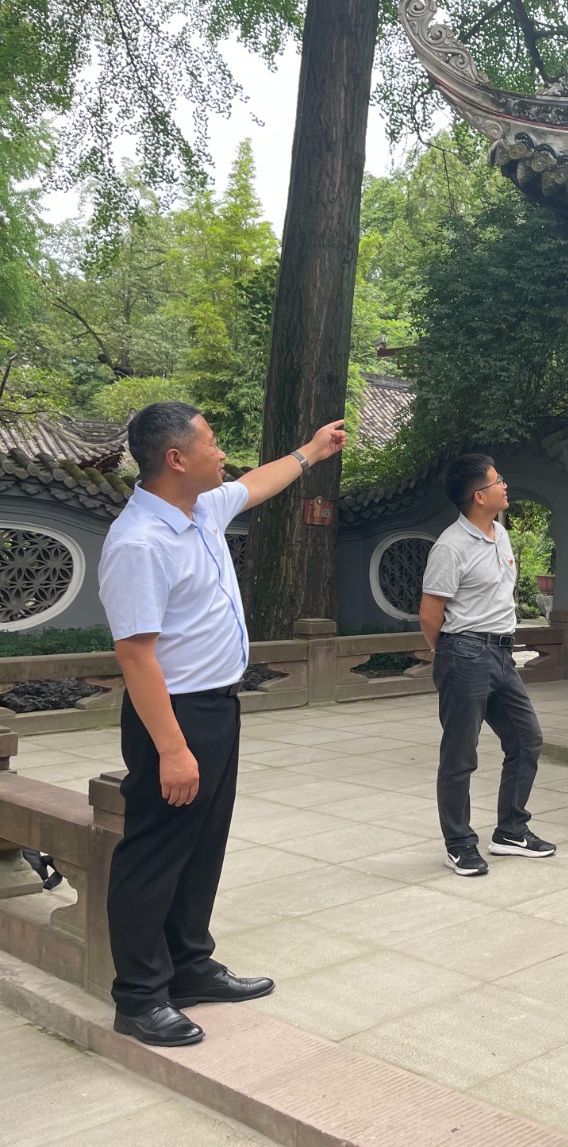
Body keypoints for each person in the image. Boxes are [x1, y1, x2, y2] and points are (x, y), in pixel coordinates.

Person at [97, 402, 346, 1047]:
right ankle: (139, 997)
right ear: (175, 458)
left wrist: (311, 452)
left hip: (216, 706)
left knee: (203, 843)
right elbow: (135, 655)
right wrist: (172, 750)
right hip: (174, 715)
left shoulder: (201, 510)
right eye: (211, 442)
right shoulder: (139, 542)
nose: (221, 452)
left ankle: (188, 965)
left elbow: (256, 484)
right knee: (154, 852)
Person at [419, 453, 554, 878]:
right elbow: (430, 613)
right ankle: (459, 844)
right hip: (465, 653)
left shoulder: (501, 534)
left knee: (527, 739)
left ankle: (511, 831)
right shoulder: (450, 547)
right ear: (479, 496)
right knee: (460, 755)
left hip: (502, 654)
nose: (505, 485)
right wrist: (452, 653)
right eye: (498, 481)